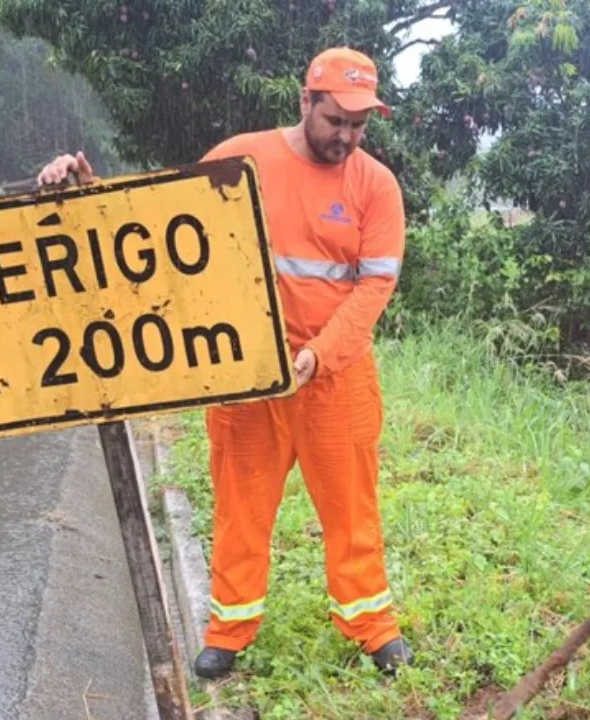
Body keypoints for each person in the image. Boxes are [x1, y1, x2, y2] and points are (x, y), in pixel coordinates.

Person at [37, 47, 413, 679]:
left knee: (352, 508)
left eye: (359, 124)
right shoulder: (242, 160)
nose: (347, 135)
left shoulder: (377, 187)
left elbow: (372, 292)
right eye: (336, 120)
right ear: (305, 102)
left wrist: (315, 357)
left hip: (335, 377)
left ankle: (370, 624)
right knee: (241, 505)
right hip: (245, 376)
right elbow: (154, 233)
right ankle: (229, 630)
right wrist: (83, 190)